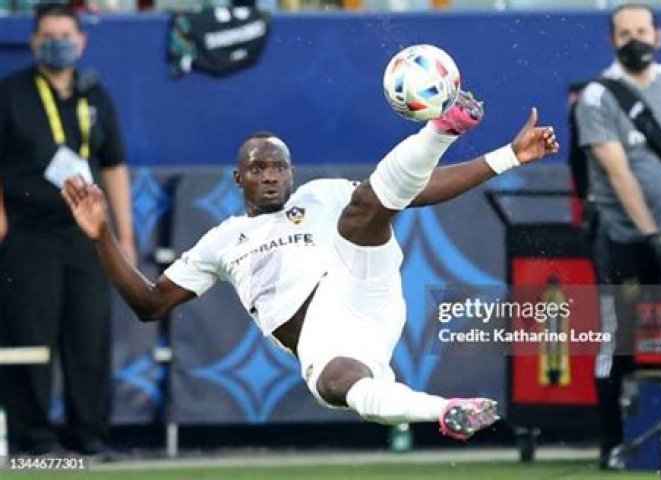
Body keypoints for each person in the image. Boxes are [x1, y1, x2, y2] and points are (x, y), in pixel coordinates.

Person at [62, 91, 558, 439]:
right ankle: (448, 411)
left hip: (359, 284)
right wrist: (103, 236)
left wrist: (507, 157)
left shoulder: (321, 194)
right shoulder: (221, 241)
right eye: (258, 168)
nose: (270, 176)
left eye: (279, 167)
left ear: (291, 173)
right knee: (340, 385)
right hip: (326, 342)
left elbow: (411, 193)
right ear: (239, 178)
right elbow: (150, 304)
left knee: (365, 207)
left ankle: (442, 129)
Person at [0, 4, 135, 455]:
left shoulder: (96, 96)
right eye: (48, 36)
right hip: (28, 235)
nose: (57, 43)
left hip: (86, 238)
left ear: (81, 42)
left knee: (89, 338)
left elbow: (114, 166)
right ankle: (34, 439)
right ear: (34, 43)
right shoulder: (11, 94)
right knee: (30, 336)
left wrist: (124, 236)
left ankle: (90, 435)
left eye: (65, 35)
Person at [574, 3, 661, 468]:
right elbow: (618, 172)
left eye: (642, 31)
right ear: (612, 41)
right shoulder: (597, 98)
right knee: (618, 338)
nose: (635, 41)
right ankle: (612, 443)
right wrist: (650, 233)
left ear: (658, 36)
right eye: (625, 33)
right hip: (623, 239)